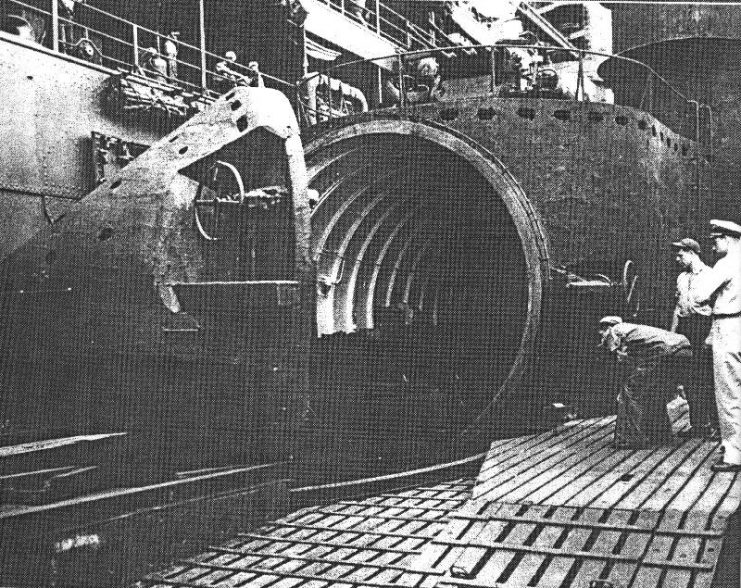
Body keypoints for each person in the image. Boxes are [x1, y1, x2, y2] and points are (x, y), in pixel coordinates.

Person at [692, 219, 741, 472]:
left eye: (716, 240)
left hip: (728, 327)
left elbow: (699, 294)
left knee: (729, 392)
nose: (713, 245)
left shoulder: (726, 263)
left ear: (728, 239)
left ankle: (734, 455)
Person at [598, 316, 691, 449]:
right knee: (654, 391)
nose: (600, 334)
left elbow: (621, 358)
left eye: (601, 330)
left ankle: (629, 438)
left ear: (607, 327)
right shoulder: (637, 332)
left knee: (631, 390)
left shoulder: (616, 330)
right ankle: (660, 435)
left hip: (665, 350)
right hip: (683, 348)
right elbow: (636, 361)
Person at [669, 237, 716, 436]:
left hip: (704, 327)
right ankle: (697, 425)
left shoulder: (711, 275)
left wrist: (711, 335)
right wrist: (671, 334)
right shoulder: (681, 278)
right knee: (689, 377)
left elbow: (717, 308)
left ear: (692, 253)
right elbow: (678, 308)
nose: (678, 258)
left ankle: (714, 425)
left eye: (681, 254)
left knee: (707, 377)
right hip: (686, 328)